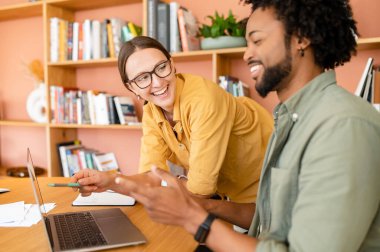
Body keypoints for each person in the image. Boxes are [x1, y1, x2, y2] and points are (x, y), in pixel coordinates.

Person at [113, 0, 380, 251]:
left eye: (258, 41)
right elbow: (268, 217)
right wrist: (203, 206)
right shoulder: (291, 119)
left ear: (301, 39)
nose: (246, 55)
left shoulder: (343, 125)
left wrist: (192, 216)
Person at [71, 36, 273, 228]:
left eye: (161, 68)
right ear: (131, 87)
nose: (158, 82)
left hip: (270, 196)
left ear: (172, 64)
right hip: (234, 204)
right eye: (142, 78)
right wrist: (108, 181)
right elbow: (151, 177)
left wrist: (175, 183)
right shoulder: (152, 111)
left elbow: (200, 191)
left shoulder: (204, 100)